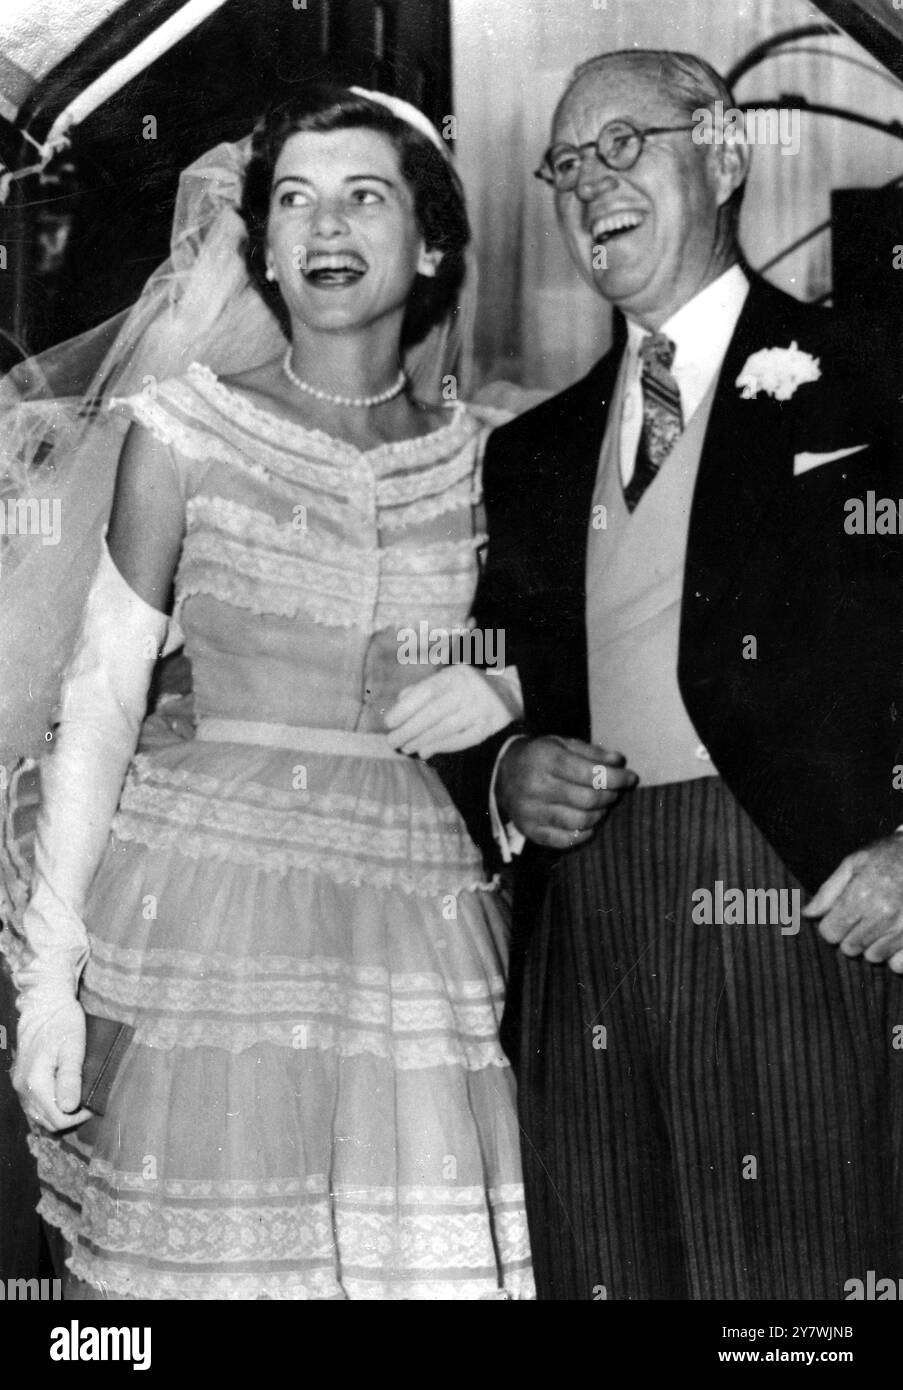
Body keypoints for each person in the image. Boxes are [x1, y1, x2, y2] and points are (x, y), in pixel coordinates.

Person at [5, 84, 534, 1300]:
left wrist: (504, 681)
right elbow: (100, 697)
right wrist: (49, 981)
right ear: (263, 247)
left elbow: (566, 654)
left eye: (364, 196)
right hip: (206, 901)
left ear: (432, 240)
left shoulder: (486, 451)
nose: (324, 227)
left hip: (414, 911)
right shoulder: (182, 430)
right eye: (294, 200)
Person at [438, 49, 903, 1300]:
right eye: (566, 164)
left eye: (625, 144)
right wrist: (504, 770)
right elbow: (482, 675)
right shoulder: (529, 454)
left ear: (727, 150)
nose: (592, 184)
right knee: (606, 1268)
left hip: (795, 898)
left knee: (800, 1294)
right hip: (585, 923)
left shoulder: (874, 378)